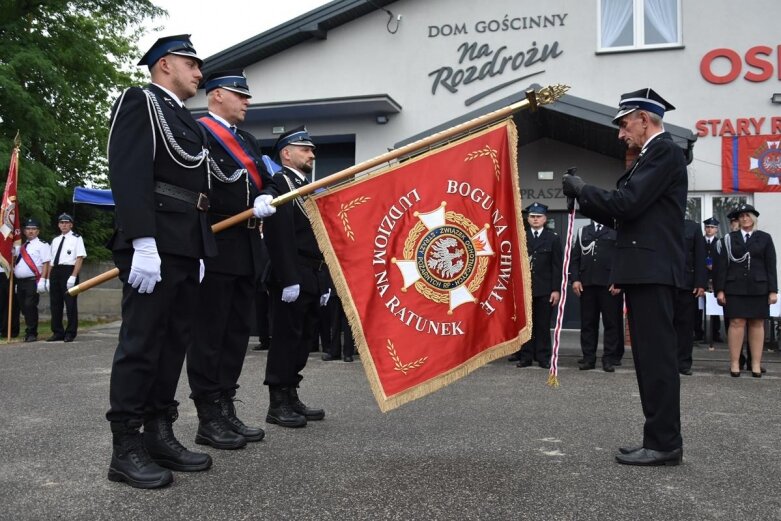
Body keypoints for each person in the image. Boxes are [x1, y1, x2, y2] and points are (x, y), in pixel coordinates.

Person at [105, 34, 217, 489]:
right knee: (141, 342)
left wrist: (202, 244)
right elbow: (128, 172)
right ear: (166, 64)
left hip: (187, 242)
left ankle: (158, 432)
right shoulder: (140, 101)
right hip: (154, 242)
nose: (199, 74)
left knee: (173, 343)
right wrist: (143, 241)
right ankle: (125, 446)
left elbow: (199, 192)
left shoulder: (185, 120)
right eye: (192, 64)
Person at [563, 88, 686, 466]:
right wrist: (587, 198)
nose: (620, 133)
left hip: (652, 270)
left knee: (657, 359)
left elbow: (627, 203)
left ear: (644, 119)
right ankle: (658, 439)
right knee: (649, 359)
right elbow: (623, 215)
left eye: (623, 124)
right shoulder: (653, 155)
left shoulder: (663, 150)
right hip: (645, 270)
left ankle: (665, 443)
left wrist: (585, 190)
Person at [185, 69, 277, 450]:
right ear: (217, 95)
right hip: (214, 241)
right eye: (240, 95)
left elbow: (270, 178)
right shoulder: (199, 132)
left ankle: (226, 407)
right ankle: (208, 417)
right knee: (209, 334)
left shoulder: (250, 141)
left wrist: (266, 195)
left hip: (246, 246)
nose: (247, 102)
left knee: (237, 332)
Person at [263, 126, 330, 428]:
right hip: (292, 272)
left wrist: (326, 280)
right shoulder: (278, 183)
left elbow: (324, 238)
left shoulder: (310, 188)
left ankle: (291, 394)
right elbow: (278, 236)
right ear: (286, 153)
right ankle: (277, 402)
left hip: (314, 272)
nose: (312, 154)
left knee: (304, 339)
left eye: (311, 149)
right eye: (305, 149)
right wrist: (288, 277)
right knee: (286, 340)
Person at [715, 204, 777, 378]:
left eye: (747, 215)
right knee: (736, 323)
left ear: (753, 218)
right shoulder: (729, 238)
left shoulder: (764, 238)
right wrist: (720, 290)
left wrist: (773, 290)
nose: (744, 219)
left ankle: (756, 363)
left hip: (759, 287)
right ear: (738, 220)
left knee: (757, 323)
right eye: (741, 216)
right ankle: (735, 362)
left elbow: (771, 266)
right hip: (734, 287)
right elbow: (722, 267)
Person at [570, 220, 623, 372]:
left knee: (611, 324)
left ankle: (609, 359)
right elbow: (575, 259)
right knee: (588, 324)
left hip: (609, 285)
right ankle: (588, 358)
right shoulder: (583, 231)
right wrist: (575, 279)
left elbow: (622, 257)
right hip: (587, 284)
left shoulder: (617, 230)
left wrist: (618, 281)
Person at [515, 202, 562, 369]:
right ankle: (526, 356)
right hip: (525, 289)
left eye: (538, 216)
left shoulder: (553, 238)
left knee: (542, 325)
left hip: (545, 289)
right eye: (532, 216)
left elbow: (557, 266)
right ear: (528, 219)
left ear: (545, 219)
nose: (535, 219)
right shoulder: (520, 236)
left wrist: (556, 289)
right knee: (526, 325)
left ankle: (543, 357)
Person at [47, 213, 87, 342]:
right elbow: (51, 261)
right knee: (55, 303)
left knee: (70, 303)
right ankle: (57, 331)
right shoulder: (55, 240)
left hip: (69, 271)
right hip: (56, 271)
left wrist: (73, 276)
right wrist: (48, 278)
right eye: (61, 223)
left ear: (71, 224)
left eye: (66, 223)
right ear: (58, 225)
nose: (64, 225)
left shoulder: (77, 238)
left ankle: (70, 332)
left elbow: (79, 258)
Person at [675, 219, 706, 376]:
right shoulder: (661, 222)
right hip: (664, 282)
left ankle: (684, 362)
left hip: (687, 285)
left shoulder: (693, 227)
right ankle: (665, 362)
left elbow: (700, 256)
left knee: (686, 326)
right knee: (664, 325)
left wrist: (700, 282)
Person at [13, 218, 51, 342]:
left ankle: (32, 333)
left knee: (30, 305)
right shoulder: (20, 247)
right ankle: (29, 329)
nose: (31, 231)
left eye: (33, 229)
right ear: (24, 231)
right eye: (28, 229)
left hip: (33, 281)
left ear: (38, 231)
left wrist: (44, 279)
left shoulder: (43, 245)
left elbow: (46, 263)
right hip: (20, 282)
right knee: (23, 306)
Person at [701, 217, 723, 343]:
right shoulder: (699, 241)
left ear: (716, 230)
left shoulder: (719, 243)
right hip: (701, 276)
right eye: (708, 227)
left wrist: (714, 266)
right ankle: (698, 332)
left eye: (712, 227)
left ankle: (716, 333)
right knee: (697, 307)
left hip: (714, 277)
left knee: (715, 306)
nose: (710, 229)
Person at [322, 288, 356, 362]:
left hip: (345, 289)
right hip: (336, 290)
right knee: (336, 322)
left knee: (346, 322)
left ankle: (346, 353)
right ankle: (339, 353)